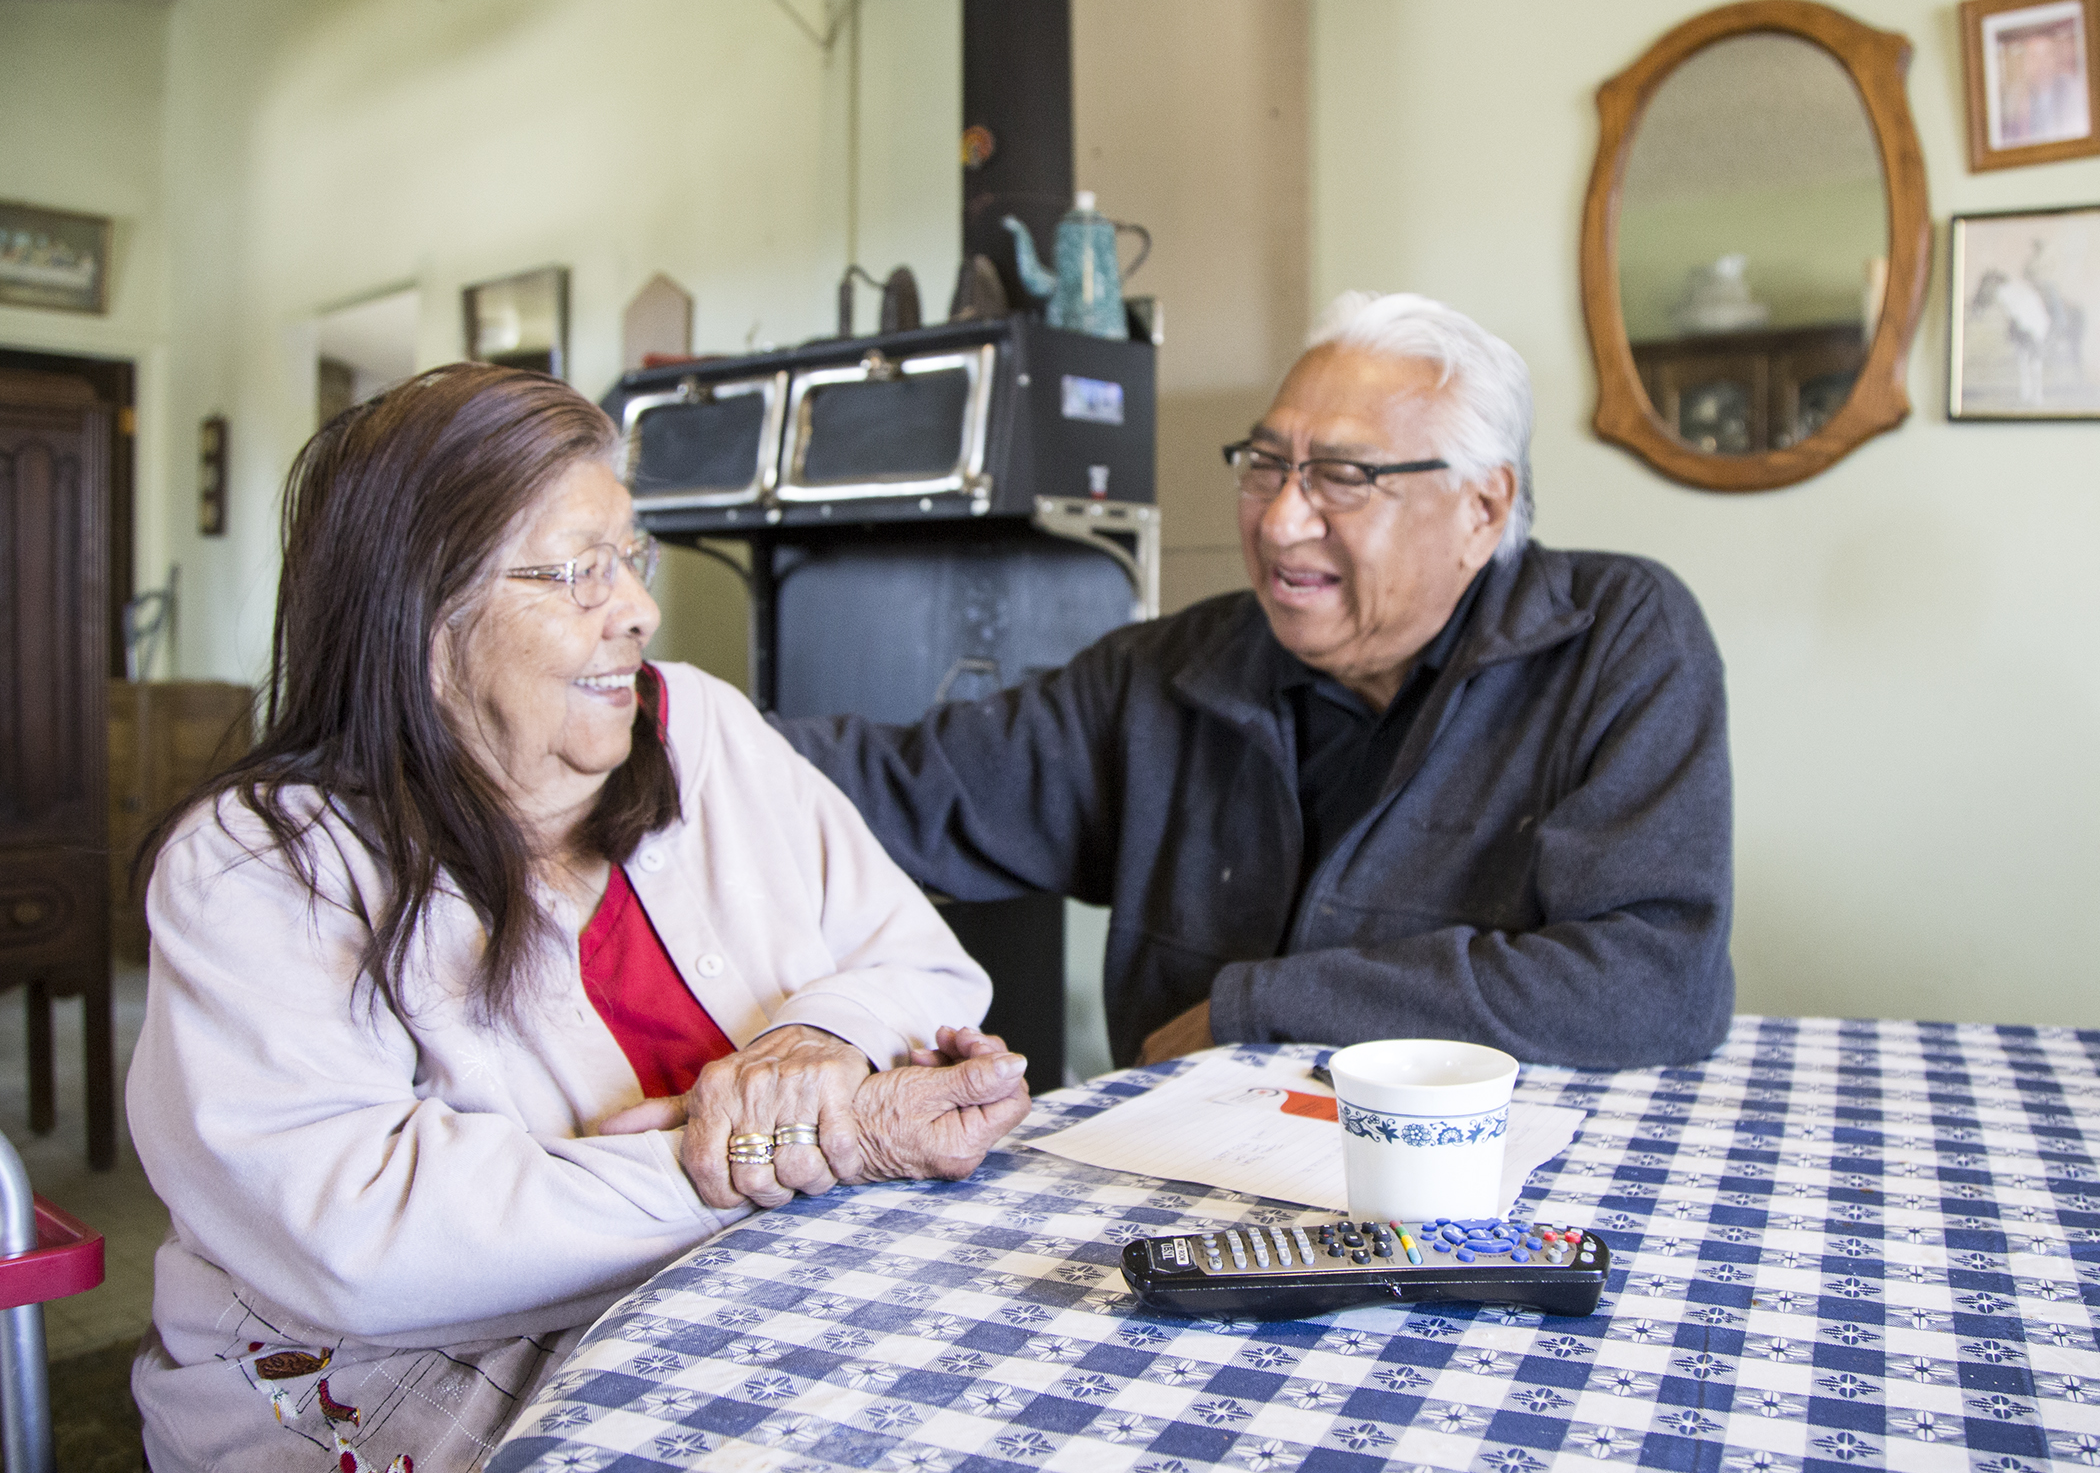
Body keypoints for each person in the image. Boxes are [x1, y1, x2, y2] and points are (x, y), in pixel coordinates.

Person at [126, 364, 1030, 1471]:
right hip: (418, 1404)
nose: (640, 609)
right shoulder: (263, 864)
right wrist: (793, 1143)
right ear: (420, 608)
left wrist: (817, 1043)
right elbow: (362, 1243)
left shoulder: (699, 726)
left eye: (632, 559)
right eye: (578, 575)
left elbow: (923, 965)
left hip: (750, 1322)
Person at [780, 291, 1734, 1073]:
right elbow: (902, 789)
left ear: (1482, 508)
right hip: (1195, 1197)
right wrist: (664, 722)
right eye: (1265, 466)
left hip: (1498, 1200)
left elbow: (1652, 983)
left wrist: (1262, 1005)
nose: (1280, 523)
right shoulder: (1167, 675)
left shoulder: (1616, 638)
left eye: (1342, 477)